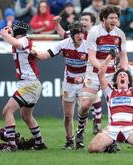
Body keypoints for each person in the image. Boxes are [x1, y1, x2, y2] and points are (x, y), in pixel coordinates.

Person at [74, 5, 128, 150]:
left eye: (116, 18)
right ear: (104, 18)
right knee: (84, 105)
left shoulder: (120, 34)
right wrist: (101, 69)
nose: (114, 20)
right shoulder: (94, 32)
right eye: (111, 18)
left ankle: (111, 139)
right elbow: (91, 57)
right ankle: (80, 131)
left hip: (111, 75)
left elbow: (124, 56)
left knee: (114, 108)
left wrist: (124, 72)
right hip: (94, 72)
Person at [30, 21, 88, 150]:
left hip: (84, 83)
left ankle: (80, 139)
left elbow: (93, 66)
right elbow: (46, 54)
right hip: (68, 83)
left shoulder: (88, 46)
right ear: (72, 35)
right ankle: (69, 141)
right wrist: (35, 54)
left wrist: (83, 77)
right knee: (68, 115)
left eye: (82, 33)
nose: (80, 36)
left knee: (83, 110)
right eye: (77, 33)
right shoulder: (63, 44)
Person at [88, 51, 133, 153]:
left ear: (128, 80)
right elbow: (100, 75)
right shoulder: (110, 91)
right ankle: (110, 145)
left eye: (124, 75)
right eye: (119, 75)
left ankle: (129, 140)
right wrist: (110, 56)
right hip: (112, 129)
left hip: (130, 129)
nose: (122, 76)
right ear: (116, 80)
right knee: (93, 149)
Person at [0, 21, 47, 152]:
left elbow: (17, 43)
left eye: (13, 29)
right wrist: (9, 32)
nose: (11, 31)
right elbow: (16, 42)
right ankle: (39, 143)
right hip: (29, 83)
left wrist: (4, 35)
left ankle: (12, 145)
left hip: (29, 84)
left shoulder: (24, 40)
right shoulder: (25, 40)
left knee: (7, 111)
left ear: (18, 31)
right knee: (26, 116)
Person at [54, 12, 103, 135]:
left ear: (92, 23)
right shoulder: (75, 35)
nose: (84, 22)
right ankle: (72, 137)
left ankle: (94, 124)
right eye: (82, 19)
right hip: (70, 79)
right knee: (70, 114)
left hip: (88, 76)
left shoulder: (94, 38)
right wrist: (56, 23)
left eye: (86, 19)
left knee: (84, 107)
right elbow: (63, 35)